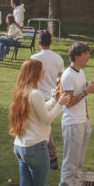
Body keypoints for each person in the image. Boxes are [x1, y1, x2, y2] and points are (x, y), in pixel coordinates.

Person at [9, 58, 63, 186]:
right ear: (35, 73)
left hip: (20, 146)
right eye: (41, 70)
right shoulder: (36, 94)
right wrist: (61, 104)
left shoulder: (21, 92)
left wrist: (54, 100)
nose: (44, 73)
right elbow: (47, 119)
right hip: (36, 147)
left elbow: (41, 111)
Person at [59, 42, 94, 186]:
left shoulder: (81, 73)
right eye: (85, 54)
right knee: (71, 161)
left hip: (82, 122)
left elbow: (82, 98)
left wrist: (87, 119)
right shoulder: (68, 75)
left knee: (79, 161)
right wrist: (86, 91)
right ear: (77, 56)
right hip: (72, 123)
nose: (88, 56)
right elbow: (69, 102)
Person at [31, 30, 65, 170]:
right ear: (50, 42)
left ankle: (51, 156)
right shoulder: (58, 59)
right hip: (52, 95)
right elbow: (60, 79)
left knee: (45, 126)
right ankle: (48, 156)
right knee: (43, 126)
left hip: (39, 95)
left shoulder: (34, 57)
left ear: (39, 43)